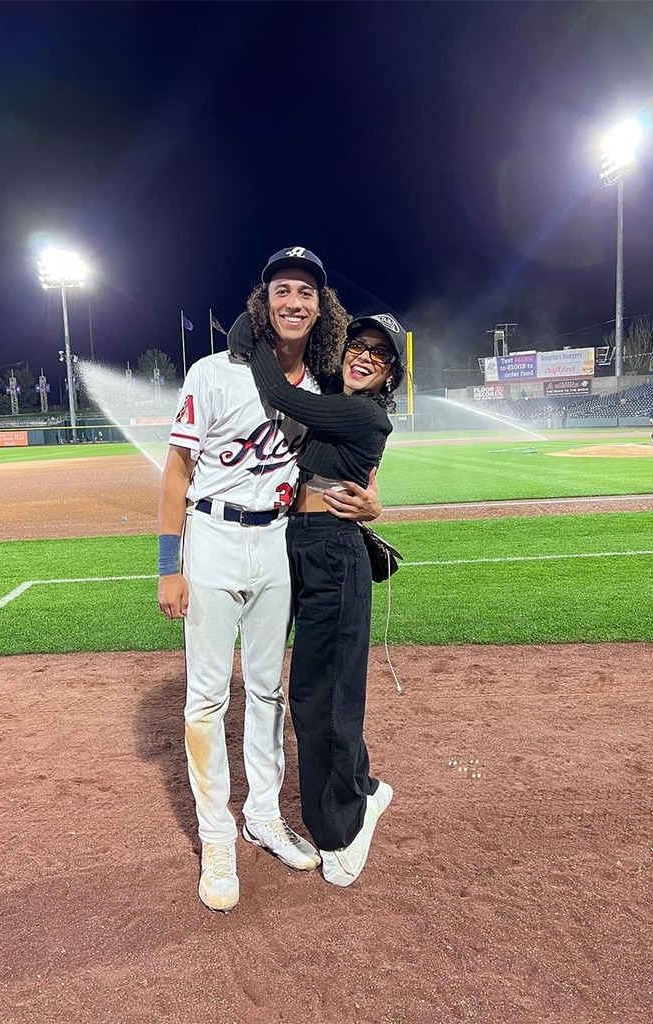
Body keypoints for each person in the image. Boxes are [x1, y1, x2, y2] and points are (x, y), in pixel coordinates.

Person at [157, 247, 381, 913]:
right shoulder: (212, 373)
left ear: (320, 307)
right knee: (205, 698)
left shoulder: (320, 389)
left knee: (266, 692)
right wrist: (169, 566)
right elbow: (176, 472)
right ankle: (216, 836)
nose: (294, 301)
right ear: (265, 300)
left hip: (276, 542)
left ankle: (263, 814)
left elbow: (354, 468)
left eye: (305, 292)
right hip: (215, 540)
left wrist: (374, 504)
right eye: (283, 289)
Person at [228, 309, 405, 888]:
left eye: (380, 355)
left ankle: (342, 829)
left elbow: (281, 392)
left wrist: (254, 334)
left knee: (318, 694)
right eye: (359, 344)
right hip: (299, 542)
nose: (365, 356)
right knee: (326, 689)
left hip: (332, 552)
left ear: (389, 377)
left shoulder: (361, 413)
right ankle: (364, 787)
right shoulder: (335, 391)